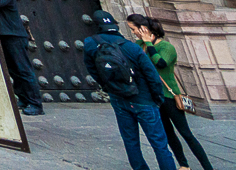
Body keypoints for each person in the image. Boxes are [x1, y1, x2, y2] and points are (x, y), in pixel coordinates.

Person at [80, 9, 176, 170]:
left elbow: (92, 69)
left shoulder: (91, 43)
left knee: (131, 141)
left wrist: (108, 87)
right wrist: (157, 98)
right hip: (143, 98)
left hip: (118, 97)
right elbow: (151, 75)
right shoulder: (132, 47)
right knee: (159, 144)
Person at [132, 13, 211, 170]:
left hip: (169, 96)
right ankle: (184, 165)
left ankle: (208, 167)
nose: (134, 33)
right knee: (168, 134)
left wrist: (150, 44)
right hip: (154, 96)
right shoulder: (140, 45)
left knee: (186, 133)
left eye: (135, 29)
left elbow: (160, 63)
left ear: (145, 29)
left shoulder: (166, 47)